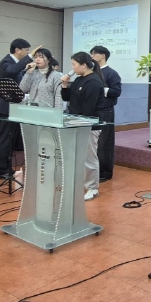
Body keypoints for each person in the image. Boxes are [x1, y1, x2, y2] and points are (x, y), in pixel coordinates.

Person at [60, 52, 106, 200]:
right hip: (76, 123)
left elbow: (88, 108)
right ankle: (80, 183)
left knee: (89, 158)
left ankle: (92, 188)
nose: (72, 68)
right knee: (78, 156)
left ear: (84, 65)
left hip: (89, 125)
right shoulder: (79, 79)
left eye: (74, 64)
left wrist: (78, 122)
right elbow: (67, 98)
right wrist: (65, 85)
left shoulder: (94, 82)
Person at [0, 39, 35, 179]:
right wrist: (30, 57)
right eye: (26, 50)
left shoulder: (15, 64)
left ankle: (8, 170)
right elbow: (12, 71)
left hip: (14, 106)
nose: (28, 53)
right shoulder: (6, 62)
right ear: (17, 50)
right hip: (5, 106)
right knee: (4, 139)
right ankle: (1, 171)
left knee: (10, 139)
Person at [91, 45, 122, 182]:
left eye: (94, 54)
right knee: (92, 143)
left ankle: (105, 172)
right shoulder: (91, 72)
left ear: (103, 55)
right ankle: (94, 170)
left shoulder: (111, 73)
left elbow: (116, 92)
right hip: (91, 111)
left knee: (104, 142)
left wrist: (101, 89)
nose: (92, 56)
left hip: (105, 111)